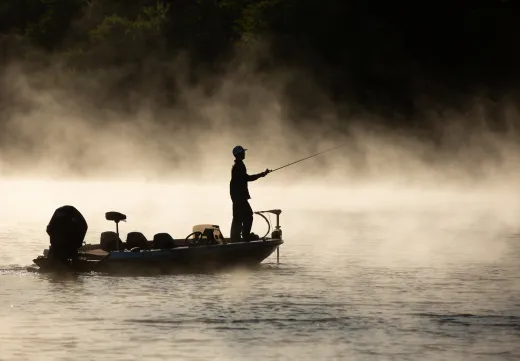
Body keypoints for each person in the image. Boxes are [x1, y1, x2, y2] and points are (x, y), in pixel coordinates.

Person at [230, 145, 270, 242]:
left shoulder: (237, 165)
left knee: (238, 217)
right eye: (243, 152)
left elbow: (242, 179)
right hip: (239, 197)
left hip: (236, 196)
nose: (244, 153)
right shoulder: (239, 166)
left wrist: (261, 174)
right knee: (248, 215)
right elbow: (246, 178)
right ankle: (245, 236)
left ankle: (235, 238)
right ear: (239, 154)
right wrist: (262, 174)